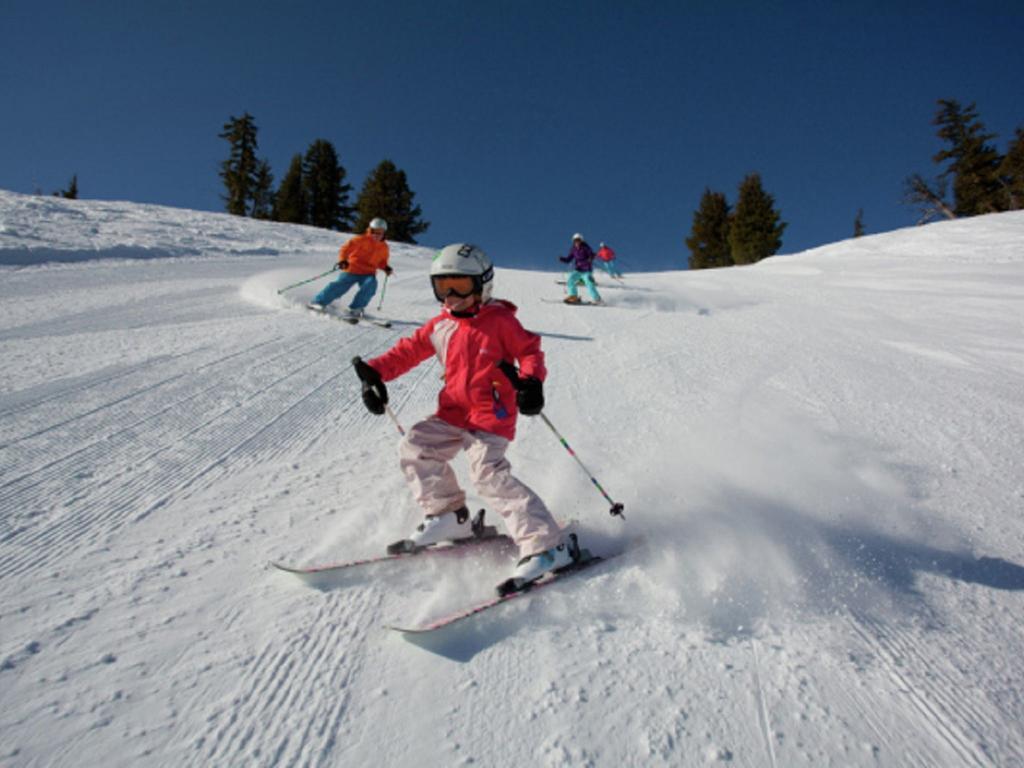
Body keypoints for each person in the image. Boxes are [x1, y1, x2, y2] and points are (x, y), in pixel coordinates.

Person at [351, 243, 581, 592]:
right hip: (453, 412)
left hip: (491, 414)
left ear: (483, 285)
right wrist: (375, 372)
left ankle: (548, 546)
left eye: (460, 285)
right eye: (443, 287)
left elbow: (529, 350)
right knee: (415, 446)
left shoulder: (500, 321)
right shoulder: (440, 325)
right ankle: (449, 516)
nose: (452, 295)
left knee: (487, 475)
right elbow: (408, 351)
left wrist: (532, 382)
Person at [308, 217, 392, 319]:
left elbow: (382, 262)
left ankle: (357, 308)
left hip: (368, 272)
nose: (377, 235)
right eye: (375, 232)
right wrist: (343, 260)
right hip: (352, 268)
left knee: (370, 285)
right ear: (370, 231)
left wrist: (386, 267)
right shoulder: (361, 240)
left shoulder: (384, 247)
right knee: (340, 286)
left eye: (380, 233)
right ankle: (318, 302)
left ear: (384, 233)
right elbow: (346, 249)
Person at [560, 233, 602, 304]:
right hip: (578, 269)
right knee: (570, 280)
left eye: (578, 240)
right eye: (575, 240)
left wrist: (591, 258)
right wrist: (563, 259)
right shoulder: (573, 249)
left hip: (587, 270)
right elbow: (569, 259)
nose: (576, 242)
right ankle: (573, 296)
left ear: (581, 240)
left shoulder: (586, 247)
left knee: (589, 284)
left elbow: (591, 254)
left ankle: (597, 299)